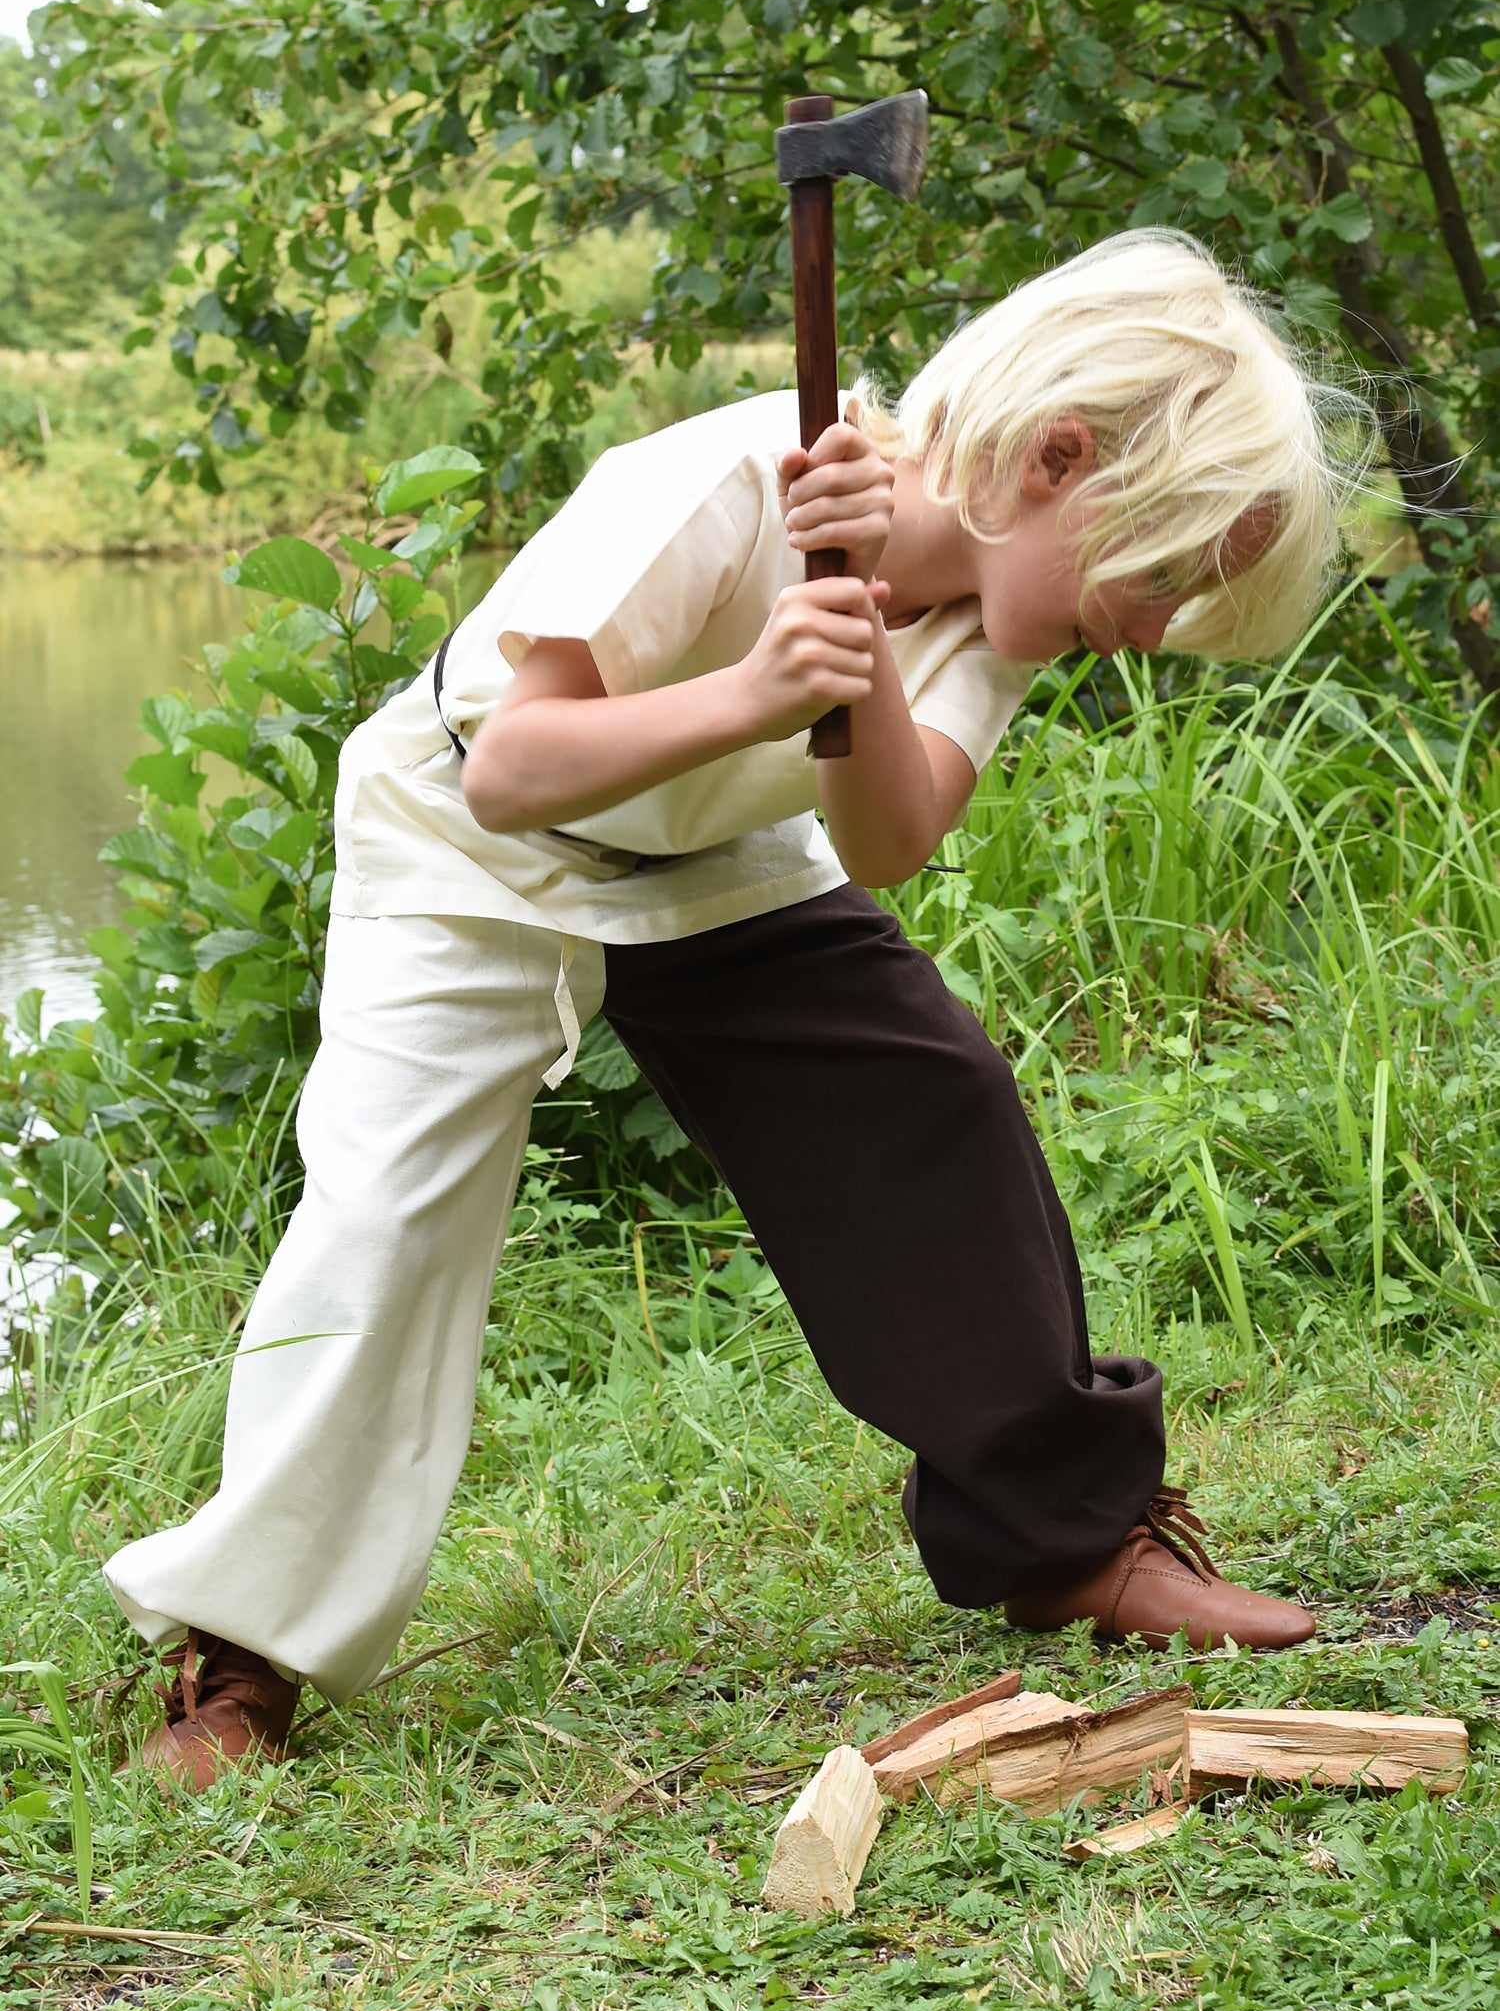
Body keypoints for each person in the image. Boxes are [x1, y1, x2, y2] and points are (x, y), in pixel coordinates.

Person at [108, 231, 1359, 1788]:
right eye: (1163, 572)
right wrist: (759, 691)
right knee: (386, 1219)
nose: (1156, 628)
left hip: (707, 860)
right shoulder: (726, 480)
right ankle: (244, 1659)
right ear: (1057, 459)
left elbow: (888, 837)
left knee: (932, 1099)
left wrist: (854, 670)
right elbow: (514, 769)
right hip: (463, 845)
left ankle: (1071, 1542)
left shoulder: (994, 611)